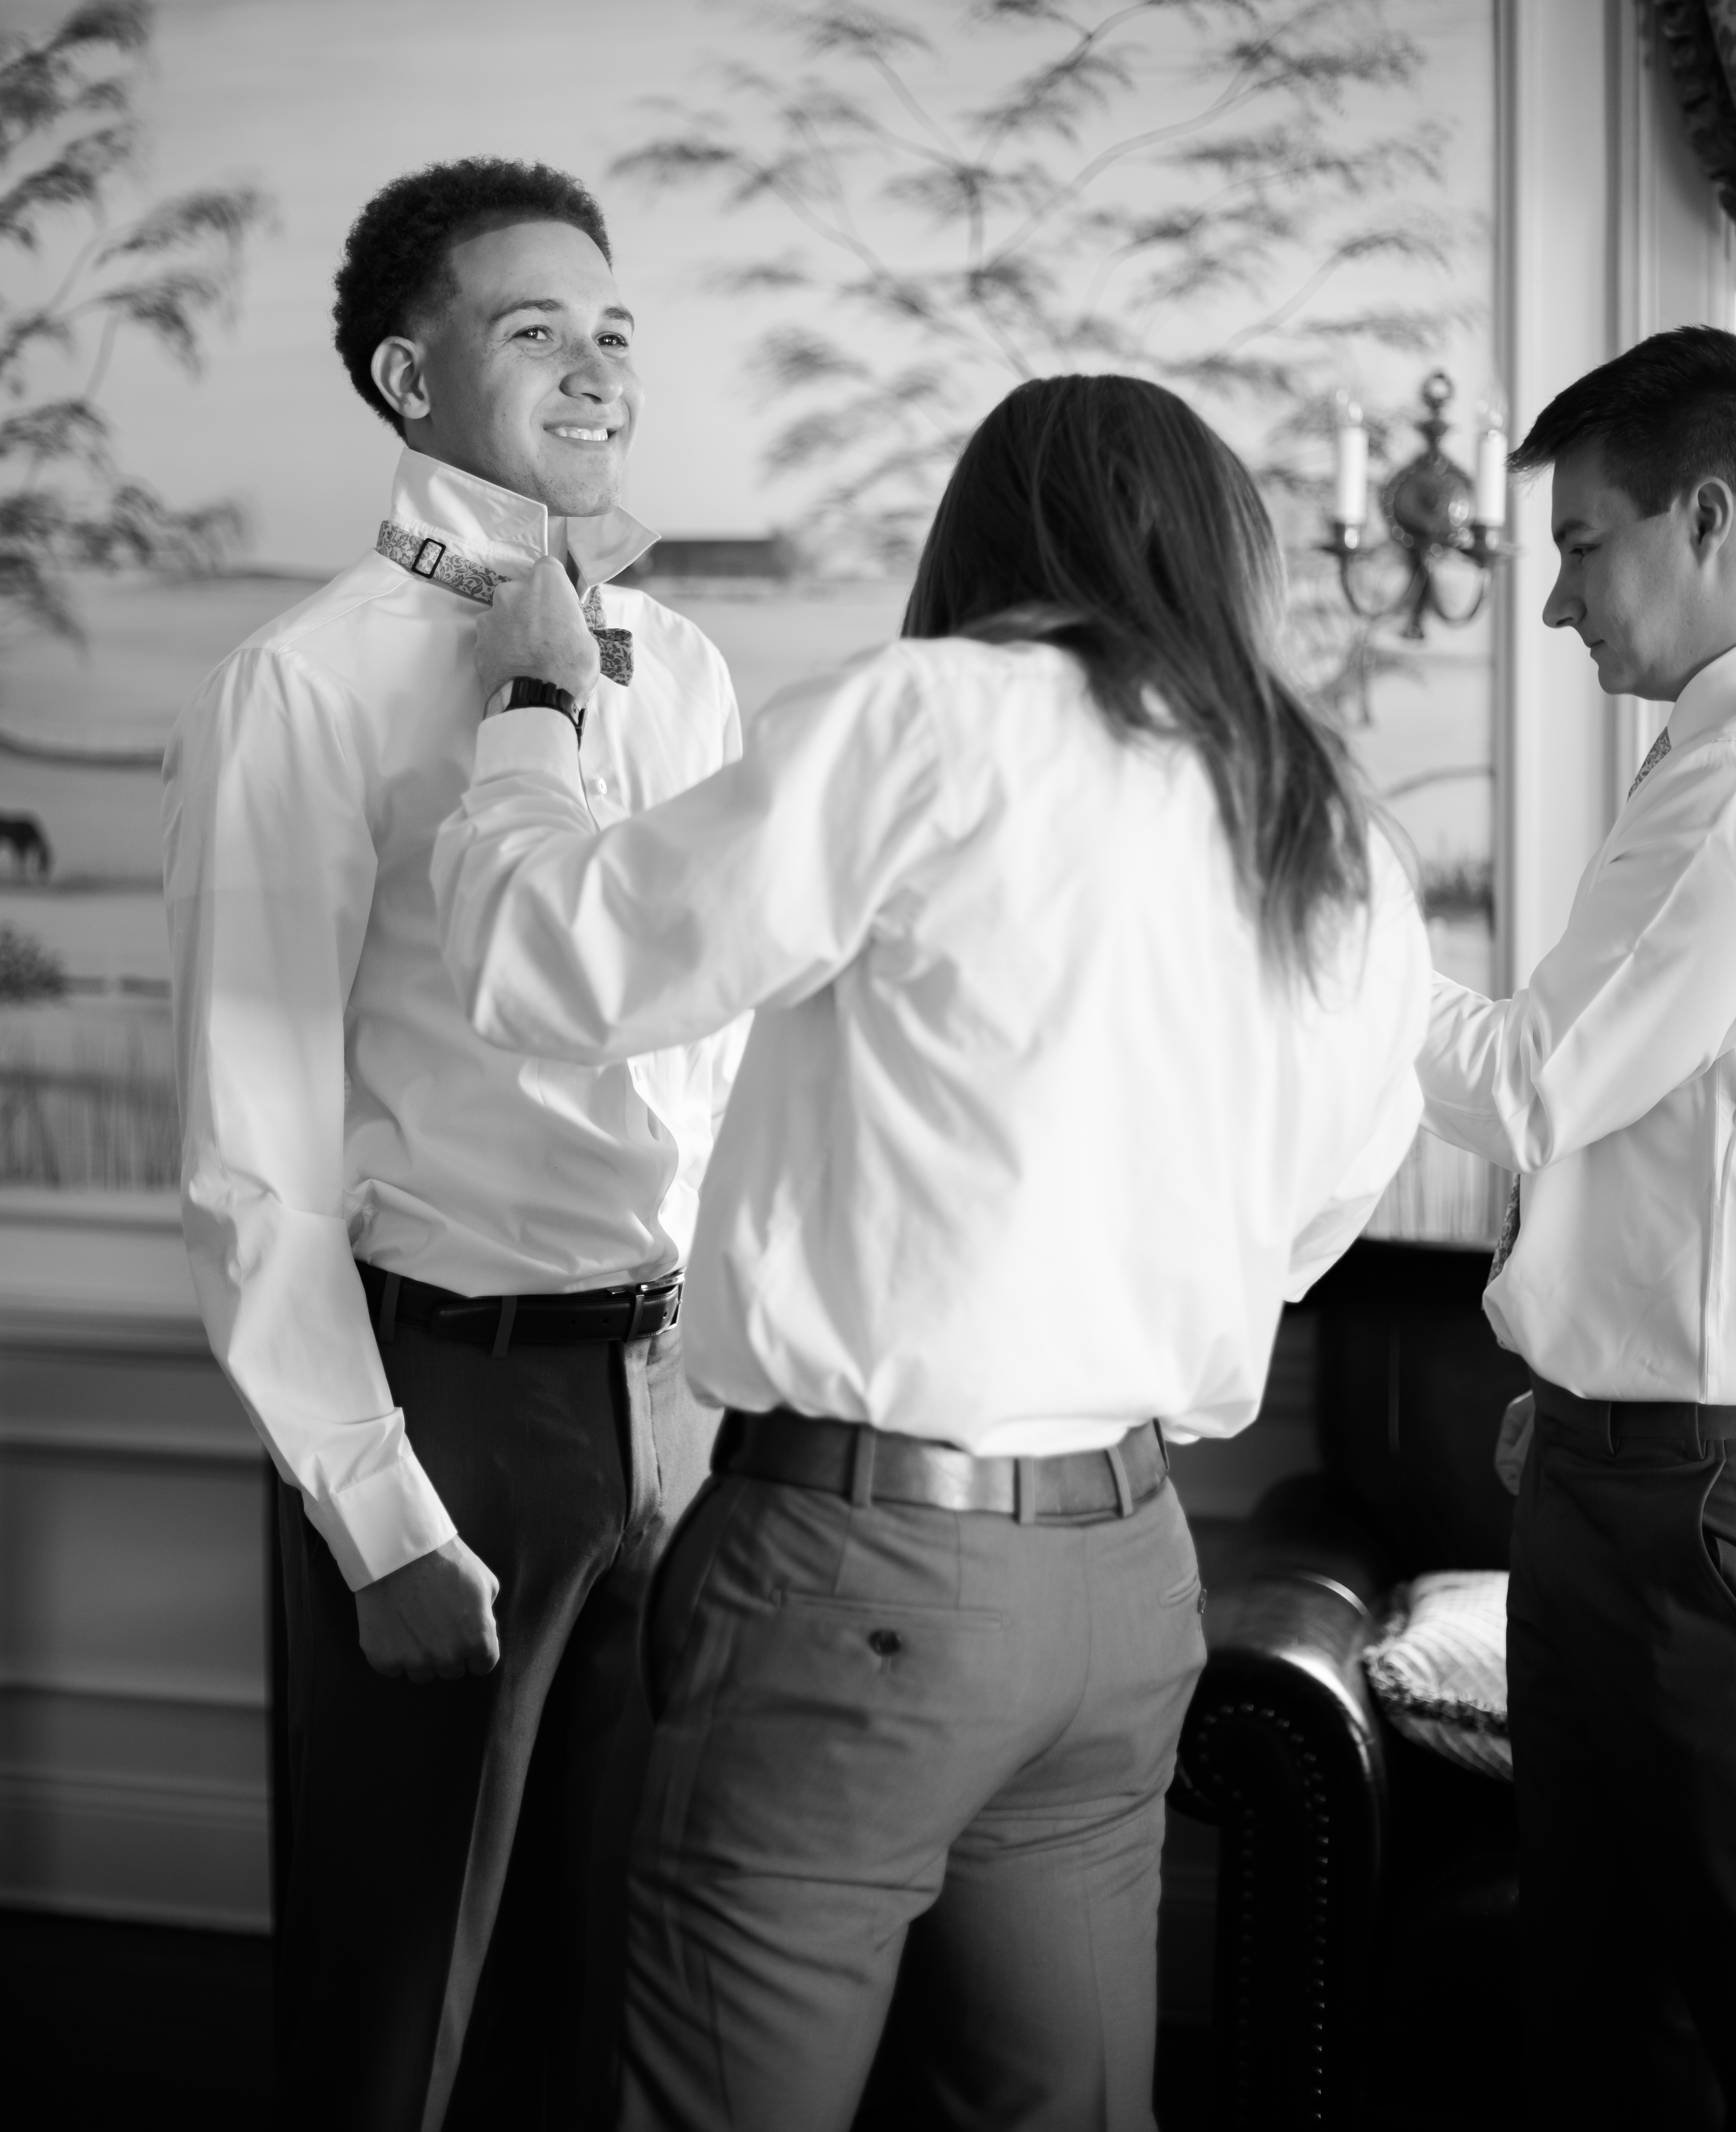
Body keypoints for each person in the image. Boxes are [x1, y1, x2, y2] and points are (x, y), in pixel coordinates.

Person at [432, 371, 1432, 2131]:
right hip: (1127, 1578)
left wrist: (531, 708)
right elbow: (1312, 1213)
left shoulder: (929, 720)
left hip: (864, 1571)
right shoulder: (1331, 823)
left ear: (989, 539)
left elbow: (552, 961)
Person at [162, 158, 741, 2132]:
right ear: (411, 379)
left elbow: (717, 1057)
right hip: (446, 1405)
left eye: (614, 330)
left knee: (616, 1984)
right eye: (534, 329)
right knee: (405, 2002)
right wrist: (378, 1507)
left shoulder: (691, 668)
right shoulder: (302, 684)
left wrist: (719, 1390)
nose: (597, 369)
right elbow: (249, 1146)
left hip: (674, 1402)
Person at [1415, 324, 1736, 2131]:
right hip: (1628, 1460)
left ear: (1710, 518)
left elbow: (1534, 1081)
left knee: (1668, 2004)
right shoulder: (1697, 757)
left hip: (1685, 1492)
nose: (1553, 603)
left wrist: (1324, 940)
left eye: (1582, 545)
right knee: (1608, 2015)